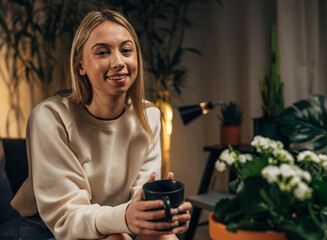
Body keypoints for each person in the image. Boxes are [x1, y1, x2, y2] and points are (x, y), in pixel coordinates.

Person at [11, 9, 192, 240]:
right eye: (103, 52)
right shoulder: (49, 118)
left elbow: (141, 194)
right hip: (51, 228)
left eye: (126, 50)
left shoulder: (150, 115)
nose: (118, 62)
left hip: (120, 221)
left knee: (163, 237)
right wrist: (123, 219)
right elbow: (66, 216)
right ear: (80, 66)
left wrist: (163, 214)